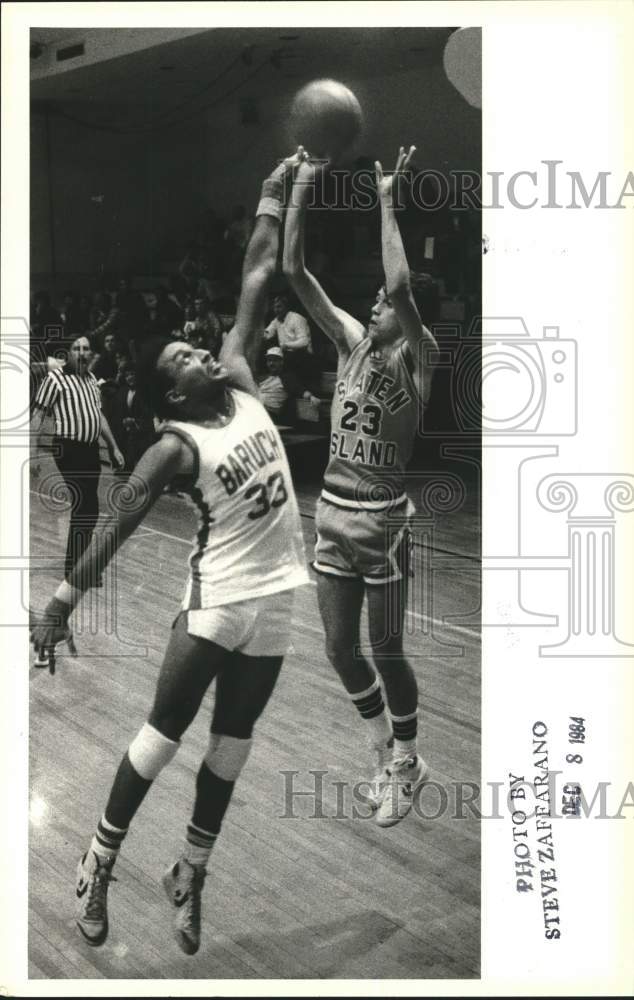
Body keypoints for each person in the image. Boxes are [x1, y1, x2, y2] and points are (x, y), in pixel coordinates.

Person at [31, 150, 309, 956]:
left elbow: (258, 275)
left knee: (232, 748)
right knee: (162, 737)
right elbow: (114, 527)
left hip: (276, 601)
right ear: (173, 394)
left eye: (195, 349)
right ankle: (96, 863)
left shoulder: (244, 382)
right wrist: (59, 604)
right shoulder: (174, 446)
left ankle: (190, 871)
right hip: (217, 601)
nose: (197, 351)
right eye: (182, 360)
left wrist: (271, 193)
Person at [284, 146, 439, 828]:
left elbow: (402, 290)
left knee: (387, 650)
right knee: (338, 651)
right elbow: (294, 272)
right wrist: (299, 190)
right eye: (372, 301)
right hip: (332, 516)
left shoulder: (421, 358)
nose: (373, 305)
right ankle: (384, 753)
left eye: (380, 304)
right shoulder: (351, 344)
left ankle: (409, 755)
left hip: (383, 523)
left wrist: (384, 197)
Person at [31, 334, 124, 580]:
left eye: (86, 349)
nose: (82, 352)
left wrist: (113, 446)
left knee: (89, 509)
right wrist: (31, 455)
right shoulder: (55, 378)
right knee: (85, 506)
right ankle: (74, 570)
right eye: (77, 348)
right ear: (69, 353)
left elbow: (99, 416)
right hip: (69, 449)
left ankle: (79, 566)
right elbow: (38, 417)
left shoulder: (92, 379)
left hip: (91, 450)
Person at [263, 291, 315, 386]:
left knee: (284, 363)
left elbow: (304, 342)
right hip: (288, 355)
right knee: (269, 357)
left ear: (286, 307)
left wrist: (286, 345)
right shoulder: (276, 320)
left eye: (279, 307)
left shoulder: (297, 318)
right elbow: (267, 335)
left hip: (304, 355)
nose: (276, 310)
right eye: (274, 307)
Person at [258, 346, 320, 423]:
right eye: (269, 361)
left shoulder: (287, 378)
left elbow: (299, 390)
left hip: (271, 414)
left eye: (275, 361)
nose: (271, 363)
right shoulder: (264, 377)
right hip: (259, 410)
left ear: (281, 362)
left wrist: (311, 397)